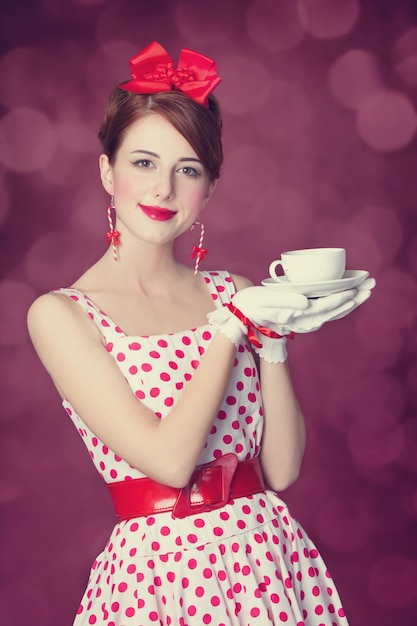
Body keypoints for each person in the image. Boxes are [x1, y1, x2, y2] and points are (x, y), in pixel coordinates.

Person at [27, 41, 374, 626]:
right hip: (160, 577)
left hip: (266, 556)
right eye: (143, 162)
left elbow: (282, 470)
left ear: (208, 189)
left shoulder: (234, 290)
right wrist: (231, 330)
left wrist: (275, 339)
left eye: (187, 169)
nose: (163, 189)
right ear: (107, 171)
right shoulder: (61, 315)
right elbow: (168, 461)